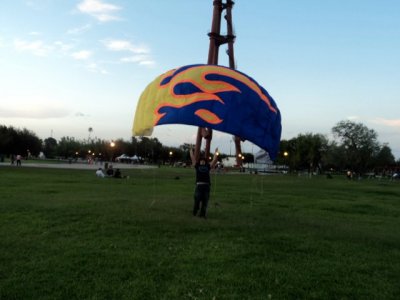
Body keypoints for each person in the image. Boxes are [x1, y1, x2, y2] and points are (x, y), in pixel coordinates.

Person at [190, 147, 219, 218]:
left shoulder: (208, 166)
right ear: (199, 162)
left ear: (205, 162)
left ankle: (202, 214)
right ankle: (195, 210)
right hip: (199, 186)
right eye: (201, 161)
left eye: (203, 161)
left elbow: (214, 160)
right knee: (197, 198)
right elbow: (192, 158)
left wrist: (216, 153)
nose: (202, 161)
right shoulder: (197, 166)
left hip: (207, 186)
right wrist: (191, 150)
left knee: (205, 201)